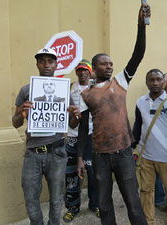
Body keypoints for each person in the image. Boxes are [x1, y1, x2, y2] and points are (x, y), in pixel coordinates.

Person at [76, 4, 151, 225]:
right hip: (100, 156)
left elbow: (138, 54)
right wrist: (80, 157)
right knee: (104, 204)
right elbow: (82, 128)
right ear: (94, 69)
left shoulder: (120, 81)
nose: (109, 66)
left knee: (133, 202)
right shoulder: (87, 94)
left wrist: (141, 26)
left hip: (124, 154)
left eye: (110, 63)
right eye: (104, 64)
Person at [12, 48, 80, 225]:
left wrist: (75, 115)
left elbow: (72, 124)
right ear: (37, 64)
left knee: (57, 198)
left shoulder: (64, 90)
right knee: (30, 197)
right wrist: (21, 112)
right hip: (32, 153)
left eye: (50, 61)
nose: (46, 64)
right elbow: (15, 123)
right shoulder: (26, 90)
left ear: (56, 65)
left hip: (56, 152)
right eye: (42, 61)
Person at [132, 69, 167, 225]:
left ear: (163, 82)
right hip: (146, 156)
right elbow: (138, 126)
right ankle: (148, 221)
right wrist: (133, 148)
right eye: (151, 80)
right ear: (146, 82)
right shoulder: (140, 102)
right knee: (146, 191)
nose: (155, 83)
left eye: (158, 79)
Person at [63, 60, 99, 223]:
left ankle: (95, 204)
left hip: (91, 135)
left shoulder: (96, 88)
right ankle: (72, 207)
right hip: (72, 136)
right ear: (76, 72)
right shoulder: (69, 88)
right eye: (79, 70)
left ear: (90, 72)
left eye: (85, 70)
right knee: (71, 174)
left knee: (93, 173)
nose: (82, 72)